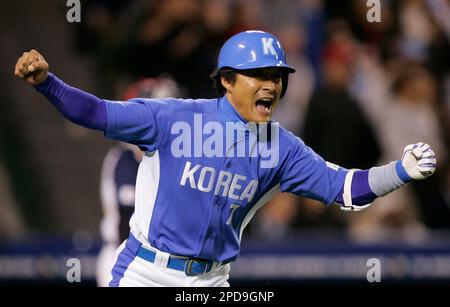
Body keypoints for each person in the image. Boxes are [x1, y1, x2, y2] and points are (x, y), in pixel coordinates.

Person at [14, 30, 436, 287]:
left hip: (213, 281)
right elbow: (95, 112)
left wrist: (399, 171)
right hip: (145, 274)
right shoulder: (173, 118)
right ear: (228, 81)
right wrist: (47, 84)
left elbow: (347, 190)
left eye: (277, 77)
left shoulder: (282, 147)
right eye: (260, 75)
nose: (271, 85)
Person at [96, 77, 182, 287]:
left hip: (165, 265)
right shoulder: (121, 159)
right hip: (121, 254)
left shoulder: (176, 158)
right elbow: (128, 204)